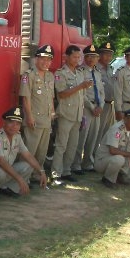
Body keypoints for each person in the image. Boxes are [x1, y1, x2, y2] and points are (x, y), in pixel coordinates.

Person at [50, 44, 93, 186]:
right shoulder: (60, 73)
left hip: (77, 115)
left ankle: (66, 171)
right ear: (66, 57)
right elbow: (61, 94)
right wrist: (80, 86)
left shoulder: (80, 73)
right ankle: (55, 173)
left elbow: (82, 96)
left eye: (79, 57)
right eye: (74, 56)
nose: (77, 59)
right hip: (65, 114)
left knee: (73, 145)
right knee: (61, 145)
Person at [0, 108, 48, 201]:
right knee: (1, 173)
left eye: (18, 124)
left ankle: (6, 188)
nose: (14, 126)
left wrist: (41, 172)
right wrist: (20, 179)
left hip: (7, 169)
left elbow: (28, 155)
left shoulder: (17, 136)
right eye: (11, 122)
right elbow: (1, 162)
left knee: (28, 165)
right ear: (4, 122)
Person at [20, 44, 56, 181]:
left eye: (48, 60)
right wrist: (29, 116)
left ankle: (37, 175)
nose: (45, 62)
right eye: (42, 59)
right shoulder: (29, 75)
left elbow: (51, 97)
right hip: (34, 119)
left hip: (46, 120)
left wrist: (52, 113)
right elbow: (26, 97)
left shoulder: (50, 76)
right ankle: (25, 177)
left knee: (42, 151)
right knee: (30, 150)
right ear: (36, 59)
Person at [71, 44, 104, 174]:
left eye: (94, 57)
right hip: (86, 108)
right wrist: (91, 107)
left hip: (98, 108)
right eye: (88, 56)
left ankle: (88, 163)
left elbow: (101, 91)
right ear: (84, 58)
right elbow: (82, 93)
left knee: (93, 137)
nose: (91, 59)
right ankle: (76, 165)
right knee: (82, 137)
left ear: (97, 58)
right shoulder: (80, 72)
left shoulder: (98, 73)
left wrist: (100, 106)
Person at [95, 42, 116, 146]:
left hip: (111, 105)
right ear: (100, 55)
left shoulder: (110, 69)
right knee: (97, 133)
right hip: (100, 105)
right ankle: (94, 157)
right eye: (106, 54)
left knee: (109, 133)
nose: (109, 57)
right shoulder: (95, 69)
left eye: (110, 55)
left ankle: (103, 157)